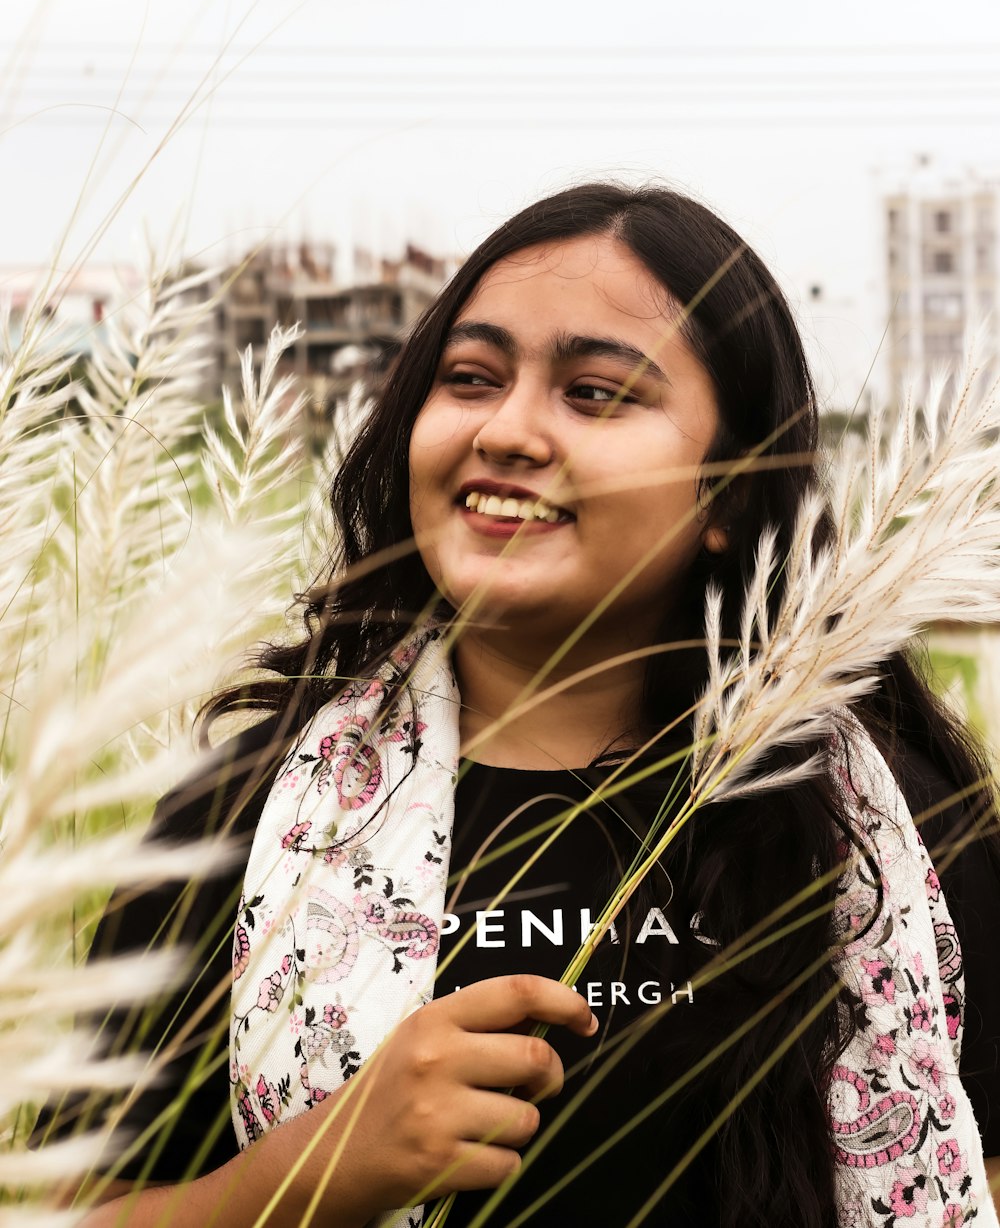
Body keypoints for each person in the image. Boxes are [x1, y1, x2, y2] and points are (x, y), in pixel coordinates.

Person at [40, 184, 1000, 1228]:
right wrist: (303, 1180)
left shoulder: (885, 829)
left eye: (594, 393)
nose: (507, 429)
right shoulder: (244, 818)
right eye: (468, 379)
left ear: (729, 492)